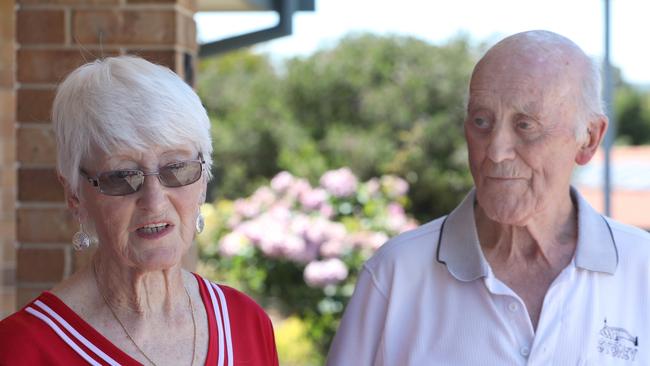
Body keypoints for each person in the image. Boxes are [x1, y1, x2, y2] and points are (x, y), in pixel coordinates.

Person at [327, 30, 650, 365]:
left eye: (525, 125)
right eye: (481, 121)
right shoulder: (394, 275)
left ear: (588, 139)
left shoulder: (643, 270)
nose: (495, 151)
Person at [0, 56, 278, 365]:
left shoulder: (246, 323)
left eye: (177, 169)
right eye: (121, 176)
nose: (154, 201)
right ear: (74, 194)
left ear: (203, 178)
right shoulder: (22, 349)